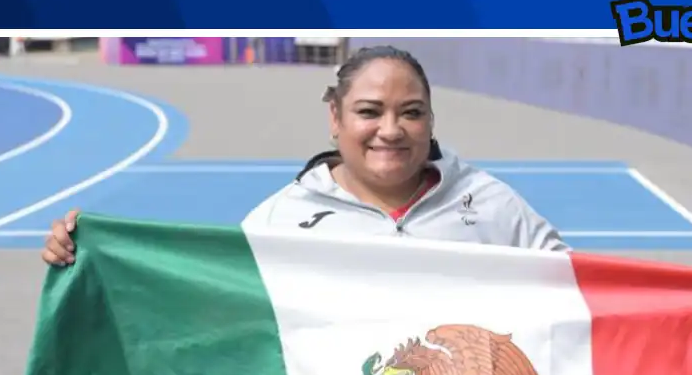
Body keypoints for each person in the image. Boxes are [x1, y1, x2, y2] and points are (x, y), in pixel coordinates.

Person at [41, 45, 570, 267]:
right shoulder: (282, 220)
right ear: (335, 118)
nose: (391, 130)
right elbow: (204, 303)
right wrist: (92, 256)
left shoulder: (495, 207)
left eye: (411, 112)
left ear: (430, 120)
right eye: (369, 111)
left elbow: (589, 297)